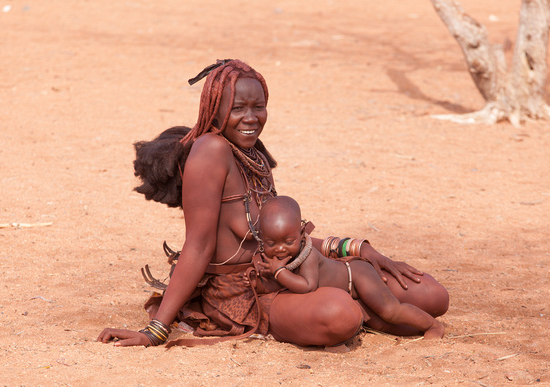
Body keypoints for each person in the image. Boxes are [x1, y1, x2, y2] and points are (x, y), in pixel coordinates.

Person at [97, 59, 449, 348]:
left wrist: (355, 247)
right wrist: (156, 330)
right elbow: (198, 245)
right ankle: (363, 311)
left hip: (293, 269)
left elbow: (278, 239)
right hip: (245, 293)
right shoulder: (210, 151)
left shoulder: (253, 155)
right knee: (341, 314)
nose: (251, 118)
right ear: (214, 110)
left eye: (258, 107)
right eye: (237, 108)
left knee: (433, 295)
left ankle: (365, 308)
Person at [254, 196, 444, 339]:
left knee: (391, 310)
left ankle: (433, 326)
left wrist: (278, 272)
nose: (280, 249)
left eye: (288, 241)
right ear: (261, 238)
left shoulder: (308, 255)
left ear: (302, 232)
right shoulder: (279, 256)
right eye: (272, 243)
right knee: (379, 323)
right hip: (347, 289)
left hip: (357, 276)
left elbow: (308, 286)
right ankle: (417, 329)